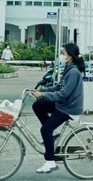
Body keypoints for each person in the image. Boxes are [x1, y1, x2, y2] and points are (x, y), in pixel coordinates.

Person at [32, 43, 84, 174]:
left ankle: (50, 162)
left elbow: (63, 93)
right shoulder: (68, 68)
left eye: (63, 53)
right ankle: (54, 134)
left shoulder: (73, 72)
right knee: (38, 105)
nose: (62, 55)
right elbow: (58, 87)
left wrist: (43, 95)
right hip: (63, 104)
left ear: (70, 56)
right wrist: (41, 91)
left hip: (68, 108)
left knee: (45, 130)